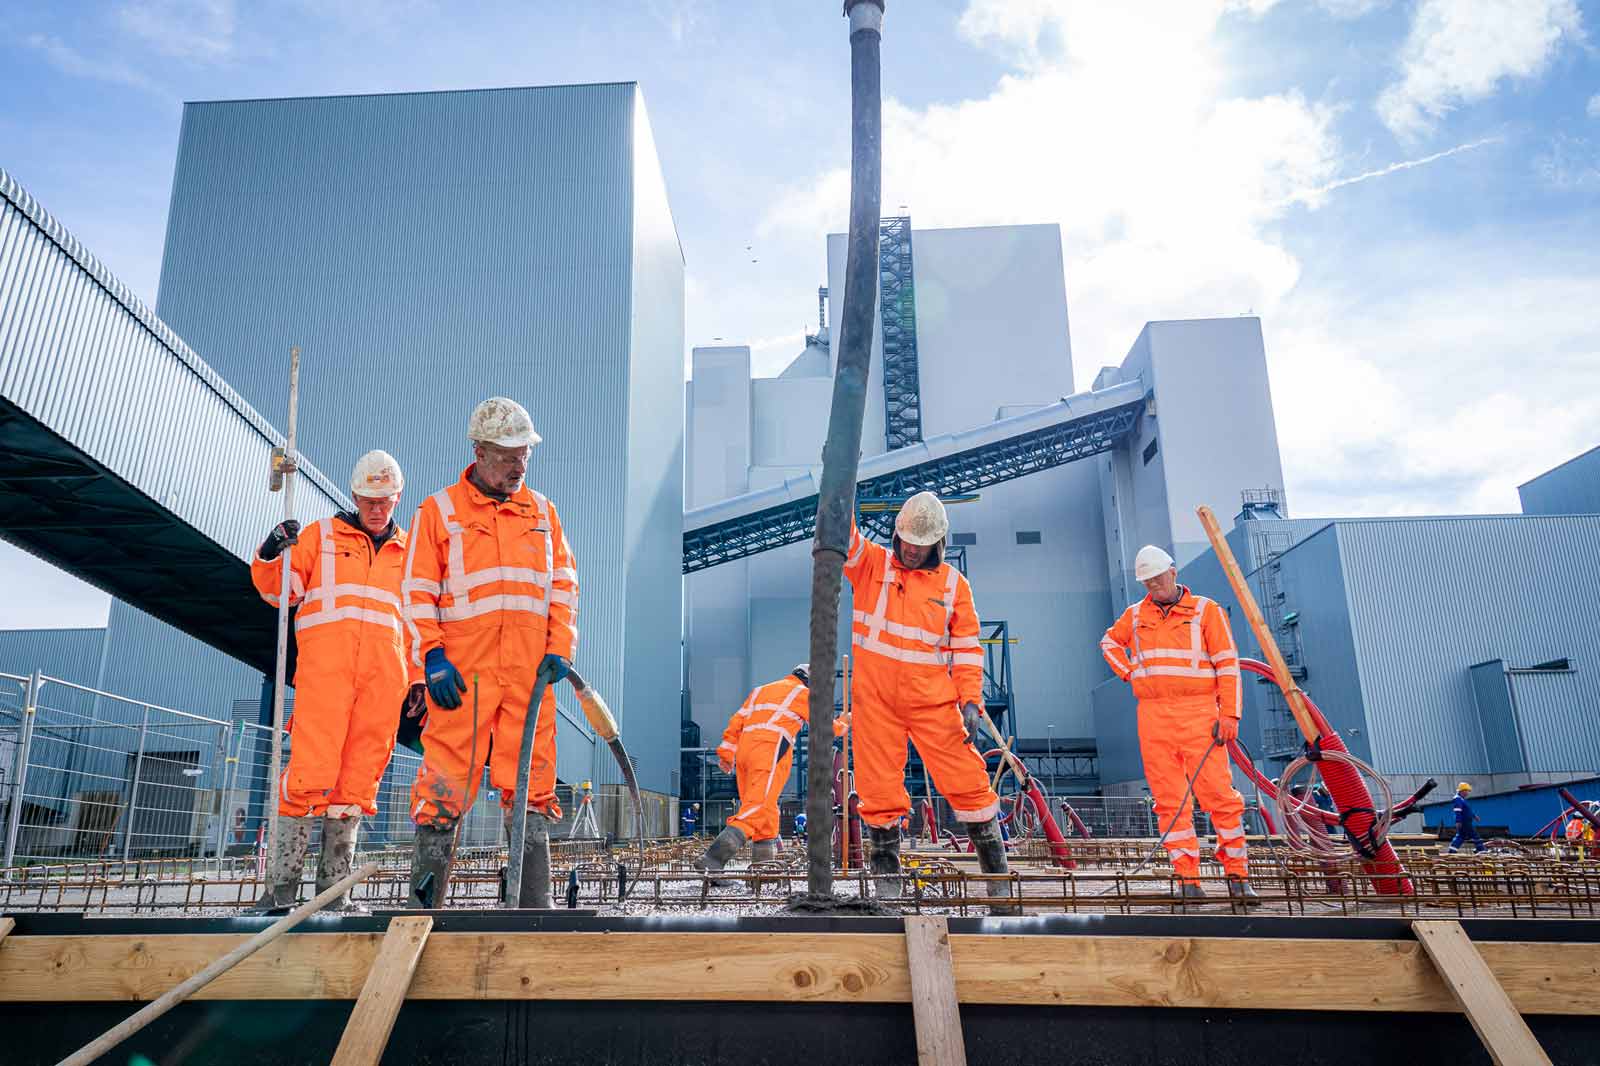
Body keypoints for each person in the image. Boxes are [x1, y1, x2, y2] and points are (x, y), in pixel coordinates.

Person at [402, 397, 578, 909]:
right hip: (463, 674)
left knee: (532, 782)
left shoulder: (544, 513)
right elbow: (415, 590)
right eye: (507, 456)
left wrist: (560, 649)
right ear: (478, 451)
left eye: (525, 454)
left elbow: (565, 587)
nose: (519, 465)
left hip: (530, 674)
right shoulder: (439, 511)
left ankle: (531, 907)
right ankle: (424, 910)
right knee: (444, 783)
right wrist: (429, 657)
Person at [248, 450, 411, 913]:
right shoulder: (319, 538)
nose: (376, 507)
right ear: (355, 495)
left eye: (384, 499)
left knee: (356, 786)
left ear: (396, 497)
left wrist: (416, 681)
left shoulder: (410, 553)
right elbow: (279, 591)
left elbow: (417, 621)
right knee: (308, 776)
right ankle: (278, 894)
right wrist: (268, 553)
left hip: (382, 688)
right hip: (326, 680)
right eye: (368, 498)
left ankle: (333, 896)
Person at [842, 492, 1014, 911]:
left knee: (968, 782)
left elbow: (968, 647)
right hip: (876, 701)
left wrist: (971, 700)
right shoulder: (872, 564)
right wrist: (839, 486)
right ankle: (887, 882)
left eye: (921, 544)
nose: (912, 550)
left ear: (938, 542)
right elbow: (842, 537)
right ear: (896, 535)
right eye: (906, 542)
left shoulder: (954, 586)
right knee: (878, 788)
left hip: (934, 702)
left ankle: (998, 882)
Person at [1100, 544, 1257, 903]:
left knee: (1219, 796)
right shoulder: (1136, 615)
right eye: (1146, 580)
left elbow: (1227, 665)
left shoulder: (1205, 611)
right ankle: (1188, 879)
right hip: (1154, 716)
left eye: (1157, 576)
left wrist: (1230, 713)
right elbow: (1109, 642)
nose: (1153, 584)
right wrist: (1129, 674)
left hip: (1200, 714)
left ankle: (1237, 876)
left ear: (1173, 571)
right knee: (1170, 801)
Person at [696, 665, 845, 877]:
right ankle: (714, 858)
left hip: (746, 751)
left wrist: (727, 755)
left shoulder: (760, 690)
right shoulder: (801, 693)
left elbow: (736, 722)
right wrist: (844, 722)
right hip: (769, 748)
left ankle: (763, 871)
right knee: (756, 808)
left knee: (766, 810)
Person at [1449, 782, 1483, 854]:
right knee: (1475, 835)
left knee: (1461, 836)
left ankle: (1452, 851)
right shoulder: (1458, 799)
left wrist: (1474, 816)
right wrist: (1458, 821)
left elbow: (1468, 810)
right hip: (1465, 822)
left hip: (1465, 821)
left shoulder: (1461, 799)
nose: (1468, 793)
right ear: (1462, 791)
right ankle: (1481, 850)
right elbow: (1457, 811)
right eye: (1467, 791)